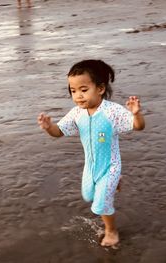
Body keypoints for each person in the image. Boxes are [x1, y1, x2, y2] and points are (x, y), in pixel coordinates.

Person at [37, 59, 145, 247]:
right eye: (73, 91)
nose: (78, 96)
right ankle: (115, 182)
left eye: (84, 90)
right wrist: (48, 127)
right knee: (88, 195)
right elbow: (58, 132)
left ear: (100, 88)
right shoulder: (76, 114)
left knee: (101, 203)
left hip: (110, 165)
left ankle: (112, 231)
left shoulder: (112, 112)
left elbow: (138, 127)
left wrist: (136, 114)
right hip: (90, 167)